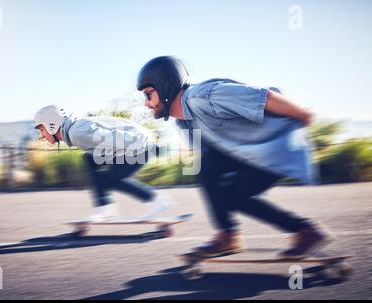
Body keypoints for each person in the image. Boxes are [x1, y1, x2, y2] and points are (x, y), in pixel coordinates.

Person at [137, 56, 332, 259]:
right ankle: (227, 236)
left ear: (165, 86)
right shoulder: (183, 123)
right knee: (205, 167)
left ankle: (307, 231)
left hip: (276, 147)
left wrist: (304, 115)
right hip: (250, 153)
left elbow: (265, 98)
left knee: (236, 196)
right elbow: (209, 160)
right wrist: (221, 195)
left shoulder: (205, 96)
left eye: (148, 95)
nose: (146, 103)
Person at [34, 105, 171, 221]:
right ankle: (106, 208)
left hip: (139, 147)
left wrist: (152, 148)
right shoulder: (75, 131)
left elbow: (113, 138)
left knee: (110, 179)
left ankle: (158, 200)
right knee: (89, 160)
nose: (42, 135)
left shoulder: (77, 133)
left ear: (51, 124)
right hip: (130, 146)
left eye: (41, 129)